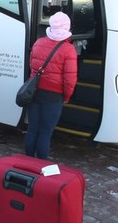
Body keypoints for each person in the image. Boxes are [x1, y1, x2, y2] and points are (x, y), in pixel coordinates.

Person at [24, 11, 78, 160]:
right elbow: (70, 79)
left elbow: (32, 66)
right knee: (45, 132)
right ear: (67, 28)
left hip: (35, 92)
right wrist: (66, 96)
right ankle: (40, 164)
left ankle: (28, 161)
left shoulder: (38, 42)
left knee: (33, 129)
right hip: (54, 96)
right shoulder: (68, 50)